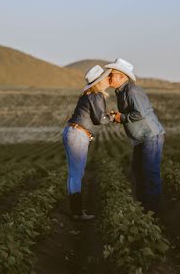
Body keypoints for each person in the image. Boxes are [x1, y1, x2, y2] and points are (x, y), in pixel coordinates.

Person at [106, 58, 165, 215]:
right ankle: (144, 207)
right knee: (138, 170)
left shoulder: (131, 91)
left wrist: (121, 118)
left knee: (149, 172)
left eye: (112, 75)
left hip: (150, 136)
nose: (109, 77)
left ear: (122, 77)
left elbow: (140, 113)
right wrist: (118, 116)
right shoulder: (122, 92)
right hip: (142, 137)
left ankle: (154, 212)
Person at [62, 64, 113, 221]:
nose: (108, 79)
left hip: (73, 132)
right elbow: (100, 119)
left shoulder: (88, 95)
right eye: (105, 77)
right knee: (76, 174)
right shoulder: (96, 96)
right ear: (99, 81)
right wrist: (113, 116)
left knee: (74, 174)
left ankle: (75, 210)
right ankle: (77, 213)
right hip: (78, 135)